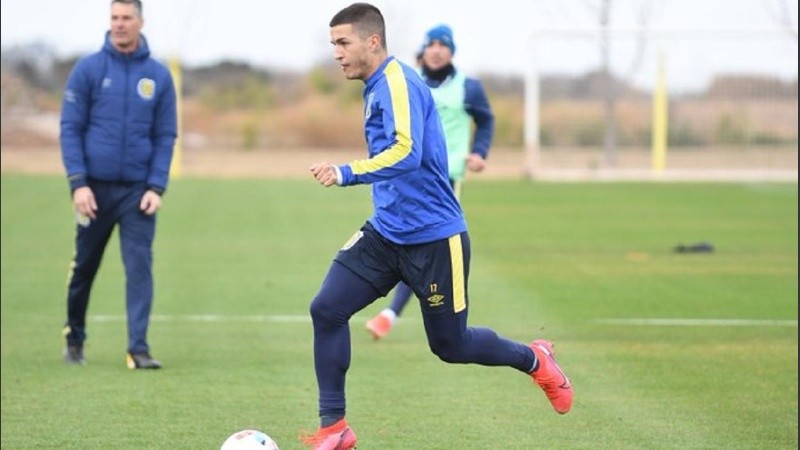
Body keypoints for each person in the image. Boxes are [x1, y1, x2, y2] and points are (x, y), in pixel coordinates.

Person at [302, 4, 573, 449]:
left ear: (372, 41)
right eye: (333, 44)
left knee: (451, 345)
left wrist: (346, 172)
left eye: (343, 42)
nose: (336, 53)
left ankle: (535, 358)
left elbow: (407, 153)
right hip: (385, 233)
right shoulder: (372, 86)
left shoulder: (397, 83)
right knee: (326, 309)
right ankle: (334, 428)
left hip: (434, 239)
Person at [59, 0, 177, 369]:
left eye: (127, 18)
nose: (120, 24)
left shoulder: (157, 76)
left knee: (139, 268)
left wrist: (155, 187)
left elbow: (165, 134)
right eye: (115, 18)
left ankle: (137, 349)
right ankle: (74, 336)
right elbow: (70, 129)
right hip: (93, 189)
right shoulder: (88, 69)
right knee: (84, 268)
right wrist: (78, 183)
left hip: (137, 193)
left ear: (141, 22)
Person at [366, 23, 495, 340]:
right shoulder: (406, 83)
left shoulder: (468, 87)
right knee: (405, 240)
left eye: (444, 45)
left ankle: (391, 313)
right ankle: (394, 311)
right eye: (432, 44)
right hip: (404, 176)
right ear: (423, 51)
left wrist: (479, 153)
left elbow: (486, 119)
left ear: (452, 51)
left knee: (421, 243)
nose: (437, 50)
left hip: (445, 179)